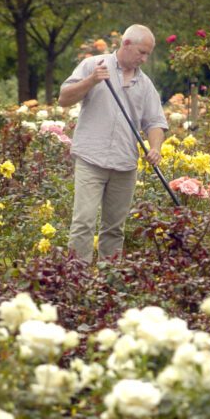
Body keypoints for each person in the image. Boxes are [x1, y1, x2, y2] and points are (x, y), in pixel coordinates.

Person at [58, 24, 168, 263]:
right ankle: (77, 278)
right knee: (83, 222)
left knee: (114, 229)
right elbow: (64, 99)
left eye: (148, 54)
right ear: (126, 44)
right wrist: (91, 81)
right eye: (141, 52)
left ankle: (110, 282)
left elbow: (155, 122)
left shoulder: (145, 84)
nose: (144, 58)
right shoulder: (94, 65)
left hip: (124, 163)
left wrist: (156, 148)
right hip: (91, 159)